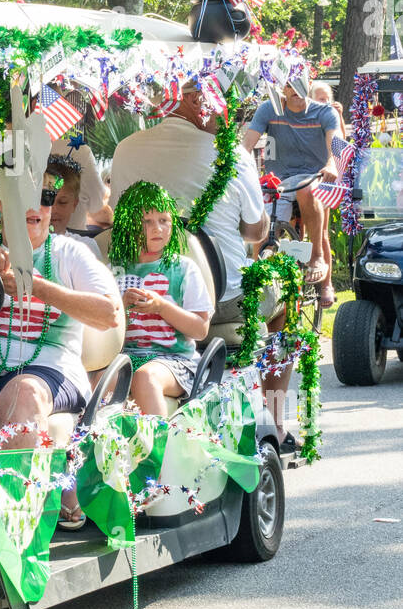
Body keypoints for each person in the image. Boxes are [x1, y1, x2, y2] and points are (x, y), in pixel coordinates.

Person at [0, 173, 123, 528]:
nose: (36, 205)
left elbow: (109, 313)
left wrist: (36, 286)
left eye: (46, 196)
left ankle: (14, 525)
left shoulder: (70, 253)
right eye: (21, 195)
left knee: (25, 395)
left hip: (46, 369)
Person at [109, 83, 269, 319]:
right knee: (282, 284)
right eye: (223, 101)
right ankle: (259, 353)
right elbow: (255, 233)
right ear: (196, 100)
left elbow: (117, 217)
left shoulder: (125, 148)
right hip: (222, 298)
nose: (228, 113)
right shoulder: (233, 155)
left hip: (140, 292)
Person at [112, 183, 213, 415]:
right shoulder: (114, 270)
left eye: (163, 220)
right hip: (126, 357)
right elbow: (102, 330)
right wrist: (122, 306)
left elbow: (200, 329)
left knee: (145, 377)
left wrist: (161, 307)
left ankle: (160, 448)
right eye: (146, 222)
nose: (156, 228)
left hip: (176, 361)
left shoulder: (184, 268)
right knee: (97, 380)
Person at [242, 77, 338, 300]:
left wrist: (331, 164)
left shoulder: (324, 112)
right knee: (264, 231)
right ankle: (259, 287)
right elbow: (246, 145)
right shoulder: (269, 108)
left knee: (311, 201)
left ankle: (319, 263)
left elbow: (335, 143)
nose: (294, 90)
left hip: (313, 177)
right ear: (281, 88)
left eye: (300, 84)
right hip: (279, 181)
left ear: (309, 83)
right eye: (288, 85)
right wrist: (237, 168)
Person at [47, 160, 104, 259]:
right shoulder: (22, 245)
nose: (54, 209)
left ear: (74, 205)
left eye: (62, 202)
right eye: (47, 200)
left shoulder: (86, 247)